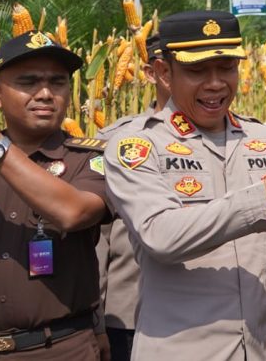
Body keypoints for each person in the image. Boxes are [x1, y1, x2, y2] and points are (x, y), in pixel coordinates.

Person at [104, 10, 266, 360]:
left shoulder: (262, 139)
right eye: (197, 70)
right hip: (183, 350)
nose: (215, 83)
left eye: (227, 67)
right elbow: (161, 236)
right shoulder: (136, 146)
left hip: (262, 347)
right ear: (165, 73)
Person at [0, 30, 110, 359]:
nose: (46, 93)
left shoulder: (91, 158)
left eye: (58, 82)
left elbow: (74, 213)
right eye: (28, 82)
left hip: (59, 347)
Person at [96, 35, 169, 361]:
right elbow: (96, 238)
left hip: (211, 313)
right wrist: (94, 321)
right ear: (152, 73)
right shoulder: (116, 138)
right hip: (131, 312)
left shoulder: (232, 140)